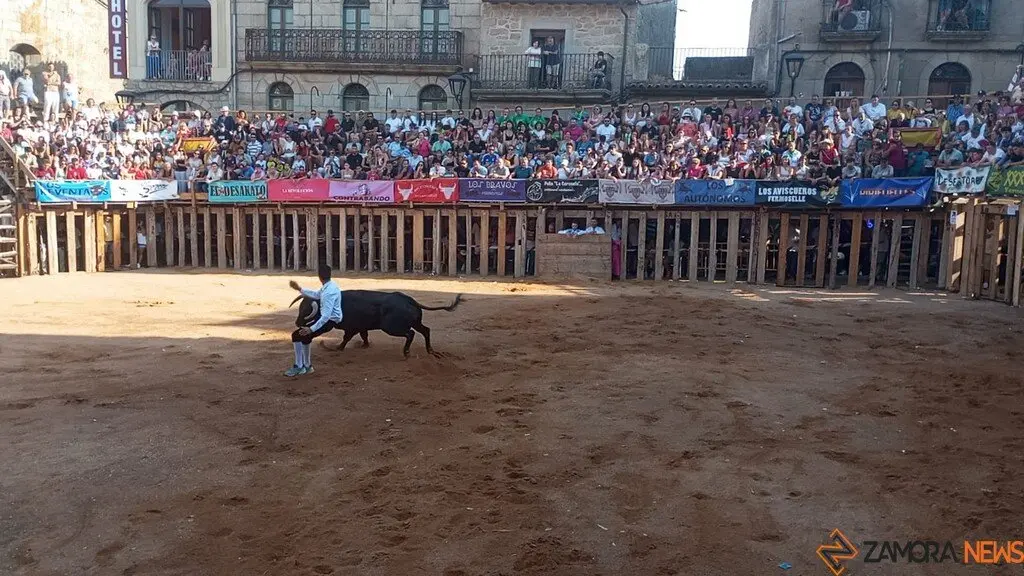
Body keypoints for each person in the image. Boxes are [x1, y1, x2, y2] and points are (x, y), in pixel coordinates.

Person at [286, 264, 343, 377]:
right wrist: (300, 289)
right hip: (328, 318)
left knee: (296, 335)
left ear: (319, 277)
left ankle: (300, 366)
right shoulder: (331, 286)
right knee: (304, 336)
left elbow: (325, 316)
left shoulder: (328, 292)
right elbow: (317, 295)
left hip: (328, 321)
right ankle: (306, 366)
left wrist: (311, 329)